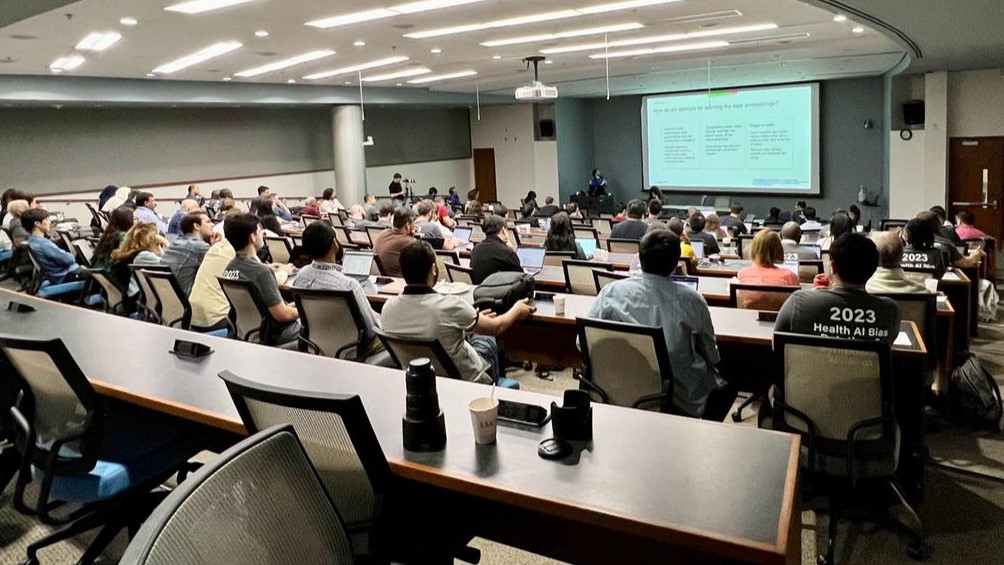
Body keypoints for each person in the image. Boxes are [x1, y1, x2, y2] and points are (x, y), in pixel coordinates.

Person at [588, 229, 735, 420]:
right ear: (676, 264)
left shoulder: (610, 293)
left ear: (640, 259)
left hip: (617, 388)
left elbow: (583, 343)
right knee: (730, 378)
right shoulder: (693, 301)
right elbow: (711, 355)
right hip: (676, 398)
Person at [381, 240, 533, 384]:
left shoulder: (388, 308)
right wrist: (516, 310)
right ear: (434, 269)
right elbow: (496, 327)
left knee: (472, 331)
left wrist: (470, 321)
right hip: (470, 381)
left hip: (422, 383)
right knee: (486, 337)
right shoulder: (450, 306)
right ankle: (494, 393)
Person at [775, 233, 900, 344]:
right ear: (873, 269)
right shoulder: (890, 311)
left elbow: (777, 347)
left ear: (833, 267)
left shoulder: (798, 303)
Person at [290, 222, 383, 356]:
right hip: (354, 351)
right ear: (335, 243)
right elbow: (370, 330)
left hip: (315, 347)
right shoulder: (349, 285)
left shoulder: (301, 277)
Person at [221, 213, 300, 345]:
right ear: (252, 237)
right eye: (259, 231)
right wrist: (304, 311)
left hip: (245, 332)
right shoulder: (262, 272)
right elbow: (282, 315)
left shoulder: (230, 268)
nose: (262, 234)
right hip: (273, 335)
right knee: (318, 327)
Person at [189, 216, 240, 335]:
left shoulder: (215, 248)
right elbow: (262, 276)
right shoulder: (236, 252)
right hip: (217, 320)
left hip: (194, 318)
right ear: (251, 236)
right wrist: (285, 271)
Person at [110, 222, 168, 312]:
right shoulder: (144, 255)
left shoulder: (128, 253)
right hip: (134, 303)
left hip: (127, 299)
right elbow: (169, 265)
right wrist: (166, 243)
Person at [736, 231, 799, 310]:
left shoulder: (742, 274)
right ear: (778, 249)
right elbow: (797, 302)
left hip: (749, 319)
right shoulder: (789, 276)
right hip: (780, 321)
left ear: (753, 249)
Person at [161, 211, 215, 295]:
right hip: (187, 299)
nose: (213, 225)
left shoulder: (176, 243)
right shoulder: (199, 247)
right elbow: (220, 264)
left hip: (170, 298)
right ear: (196, 226)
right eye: (208, 222)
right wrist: (216, 246)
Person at [23, 209, 81, 285]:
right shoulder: (44, 244)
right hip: (65, 275)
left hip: (56, 276)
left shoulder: (32, 240)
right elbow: (69, 260)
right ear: (37, 223)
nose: (50, 222)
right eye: (46, 220)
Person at [917, 211, 983, 269]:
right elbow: (965, 263)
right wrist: (974, 256)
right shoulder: (946, 244)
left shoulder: (910, 243)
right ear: (938, 225)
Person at [469, 215, 522, 284]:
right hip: (500, 292)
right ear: (503, 230)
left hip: (478, 290)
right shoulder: (507, 252)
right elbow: (520, 277)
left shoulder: (476, 248)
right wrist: (510, 247)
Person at [374, 208, 418, 277]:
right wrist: (412, 236)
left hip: (380, 279)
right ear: (408, 225)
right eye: (414, 223)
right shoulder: (409, 242)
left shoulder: (382, 233)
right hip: (398, 281)